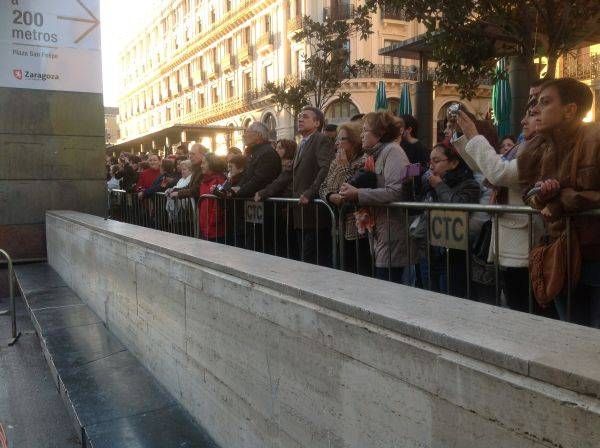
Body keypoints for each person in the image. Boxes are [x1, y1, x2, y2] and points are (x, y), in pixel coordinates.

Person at [519, 78, 600, 327]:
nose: (535, 110)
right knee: (570, 335)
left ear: (570, 109)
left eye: (545, 102)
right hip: (561, 255)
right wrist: (541, 197)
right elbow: (528, 195)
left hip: (595, 254)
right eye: (536, 103)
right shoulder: (536, 148)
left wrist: (560, 200)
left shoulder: (595, 139)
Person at [454, 108, 546, 312]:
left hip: (524, 245)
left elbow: (498, 172)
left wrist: (474, 135)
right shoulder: (523, 146)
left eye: (532, 113)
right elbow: (484, 167)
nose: (523, 120)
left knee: (525, 309)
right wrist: (466, 134)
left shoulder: (542, 148)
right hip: (512, 243)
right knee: (515, 303)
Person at [339, 111, 411, 282]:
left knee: (388, 284)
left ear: (380, 133)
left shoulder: (393, 151)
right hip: (380, 229)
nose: (362, 135)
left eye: (366, 130)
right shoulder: (374, 155)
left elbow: (396, 191)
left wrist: (358, 193)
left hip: (392, 229)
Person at [424, 141, 480, 297]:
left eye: (436, 161)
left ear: (454, 163)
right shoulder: (430, 183)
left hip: (457, 255)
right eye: (430, 162)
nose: (431, 166)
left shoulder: (469, 184)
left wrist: (440, 187)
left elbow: (459, 207)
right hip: (434, 251)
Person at [319, 121, 370, 275]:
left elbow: (348, 188)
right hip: (339, 225)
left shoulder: (363, 161)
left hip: (358, 228)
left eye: (342, 139)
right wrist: (330, 196)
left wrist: (344, 168)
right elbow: (323, 187)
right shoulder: (336, 161)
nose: (338, 143)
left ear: (354, 142)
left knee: (359, 269)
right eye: (338, 139)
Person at [292, 106, 335, 265]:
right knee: (304, 258)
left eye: (305, 117)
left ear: (317, 123)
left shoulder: (321, 140)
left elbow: (325, 169)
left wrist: (310, 193)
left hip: (314, 212)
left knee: (314, 261)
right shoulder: (301, 143)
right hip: (301, 213)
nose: (300, 119)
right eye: (299, 116)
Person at [232, 122, 281, 198]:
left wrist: (240, 191)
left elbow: (260, 179)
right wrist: (237, 187)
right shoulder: (253, 152)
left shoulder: (268, 153)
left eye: (247, 132)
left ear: (258, 135)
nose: (244, 135)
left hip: (263, 203)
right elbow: (246, 176)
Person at [198, 154, 227, 241]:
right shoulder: (204, 181)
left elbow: (219, 205)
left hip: (215, 228)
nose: (201, 166)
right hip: (205, 225)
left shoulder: (219, 180)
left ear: (211, 163)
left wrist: (213, 222)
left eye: (203, 163)